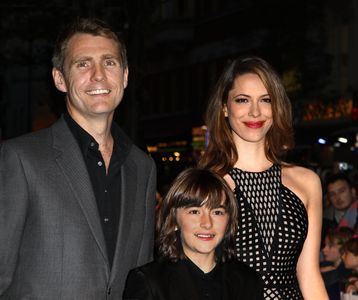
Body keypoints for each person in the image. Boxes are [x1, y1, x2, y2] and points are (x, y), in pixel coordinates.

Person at [0, 18, 156, 299]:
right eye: (83, 64)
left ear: (125, 76)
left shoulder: (142, 167)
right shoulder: (20, 159)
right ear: (60, 79)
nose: (98, 75)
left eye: (109, 62)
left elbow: (139, 279)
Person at [198, 56, 328, 299]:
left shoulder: (307, 182)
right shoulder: (207, 186)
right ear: (225, 107)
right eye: (242, 100)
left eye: (265, 100)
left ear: (276, 106)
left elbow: (309, 276)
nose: (255, 111)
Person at [123, 168, 264, 300]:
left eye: (217, 212)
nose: (207, 223)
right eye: (195, 211)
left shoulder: (248, 281)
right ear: (174, 219)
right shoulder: (149, 282)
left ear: (229, 220)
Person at [320, 227, 354, 300]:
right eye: (325, 245)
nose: (324, 249)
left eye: (330, 246)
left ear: (342, 248)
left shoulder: (346, 274)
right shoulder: (324, 265)